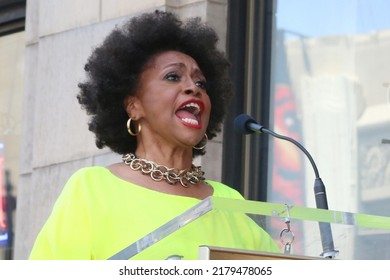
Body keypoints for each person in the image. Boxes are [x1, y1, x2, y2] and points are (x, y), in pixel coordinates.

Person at [29, 10, 280, 260]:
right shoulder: (91, 189)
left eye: (201, 83)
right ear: (134, 106)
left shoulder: (229, 201)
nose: (193, 88)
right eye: (173, 77)